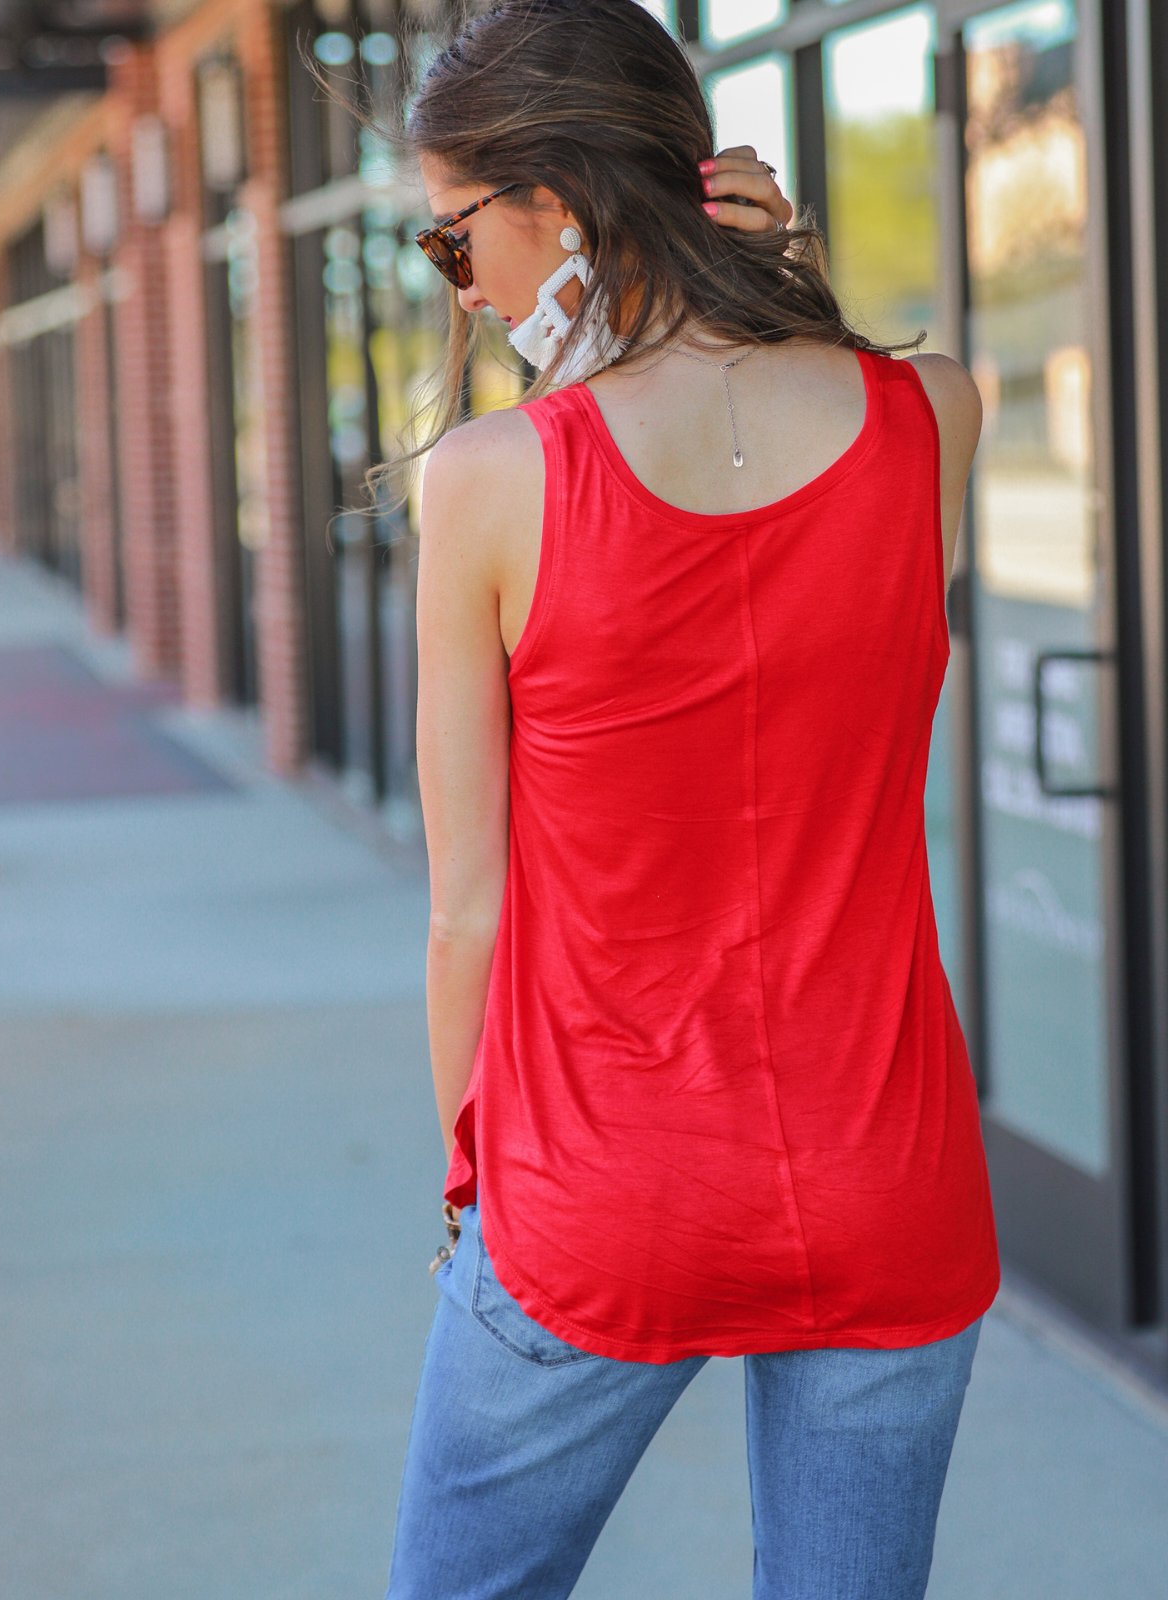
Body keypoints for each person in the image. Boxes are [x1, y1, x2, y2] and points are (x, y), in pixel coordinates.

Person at [388, 2, 998, 1595]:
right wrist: (779, 275)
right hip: (888, 1171)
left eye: (456, 243)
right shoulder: (937, 413)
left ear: (560, 208)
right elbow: (817, 447)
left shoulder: (492, 483)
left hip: (602, 1185)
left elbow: (470, 908)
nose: (466, 284)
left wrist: (475, 1195)